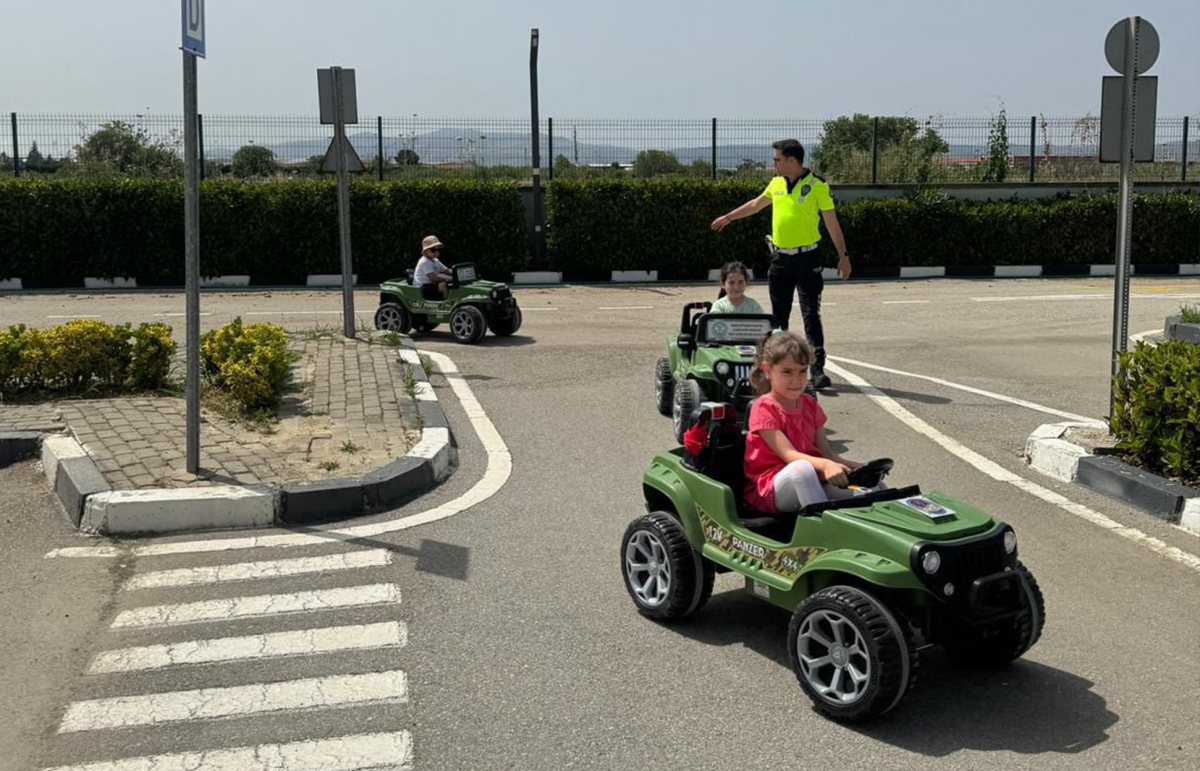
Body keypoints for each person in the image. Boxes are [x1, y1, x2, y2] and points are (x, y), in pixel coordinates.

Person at [710, 139, 851, 390]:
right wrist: (729, 217)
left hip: (807, 258)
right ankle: (779, 368)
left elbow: (832, 223)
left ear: (792, 160)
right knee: (779, 318)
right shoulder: (776, 183)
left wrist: (843, 255)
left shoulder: (817, 186)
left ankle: (817, 370)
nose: (773, 163)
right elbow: (755, 205)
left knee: (811, 314)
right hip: (780, 259)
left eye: (777, 159)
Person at [743, 330, 873, 515]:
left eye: (802, 371)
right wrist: (826, 465)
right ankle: (822, 526)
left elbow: (827, 454)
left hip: (812, 480)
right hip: (772, 488)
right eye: (787, 372)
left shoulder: (809, 404)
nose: (796, 380)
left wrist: (861, 468)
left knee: (871, 489)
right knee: (801, 470)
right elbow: (790, 455)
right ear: (768, 370)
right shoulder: (764, 407)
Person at [413, 235, 453, 300]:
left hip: (431, 284)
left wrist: (457, 273)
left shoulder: (435, 261)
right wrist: (448, 279)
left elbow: (447, 270)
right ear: (425, 251)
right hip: (423, 287)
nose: (436, 252)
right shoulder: (425, 261)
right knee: (442, 284)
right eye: (433, 250)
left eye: (438, 250)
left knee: (448, 284)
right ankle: (446, 301)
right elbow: (433, 278)